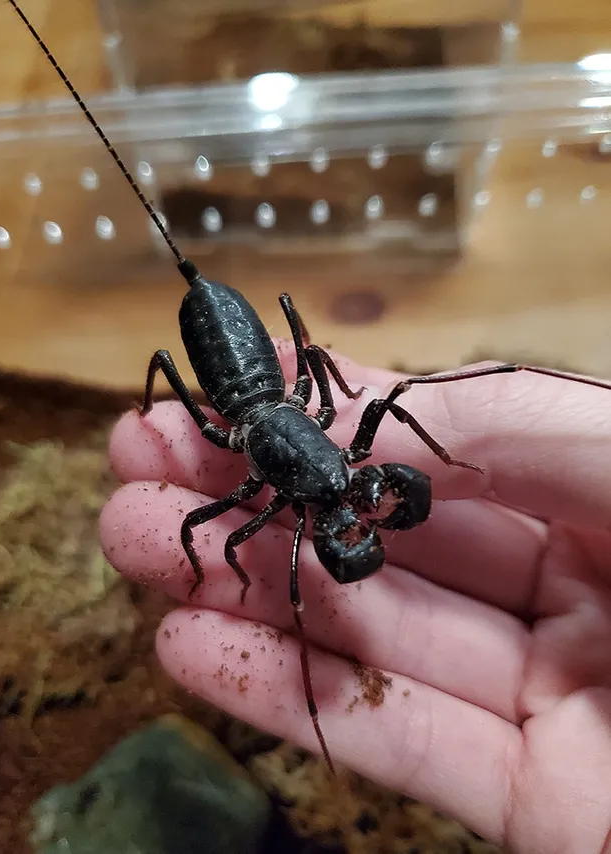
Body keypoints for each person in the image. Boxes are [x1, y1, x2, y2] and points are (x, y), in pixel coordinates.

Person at [99, 342, 611, 854]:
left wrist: (443, 459)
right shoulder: (308, 465)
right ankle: (149, 411)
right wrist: (231, 570)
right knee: (212, 530)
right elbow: (222, 539)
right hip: (251, 405)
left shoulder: (326, 479)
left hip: (265, 399)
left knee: (395, 395)